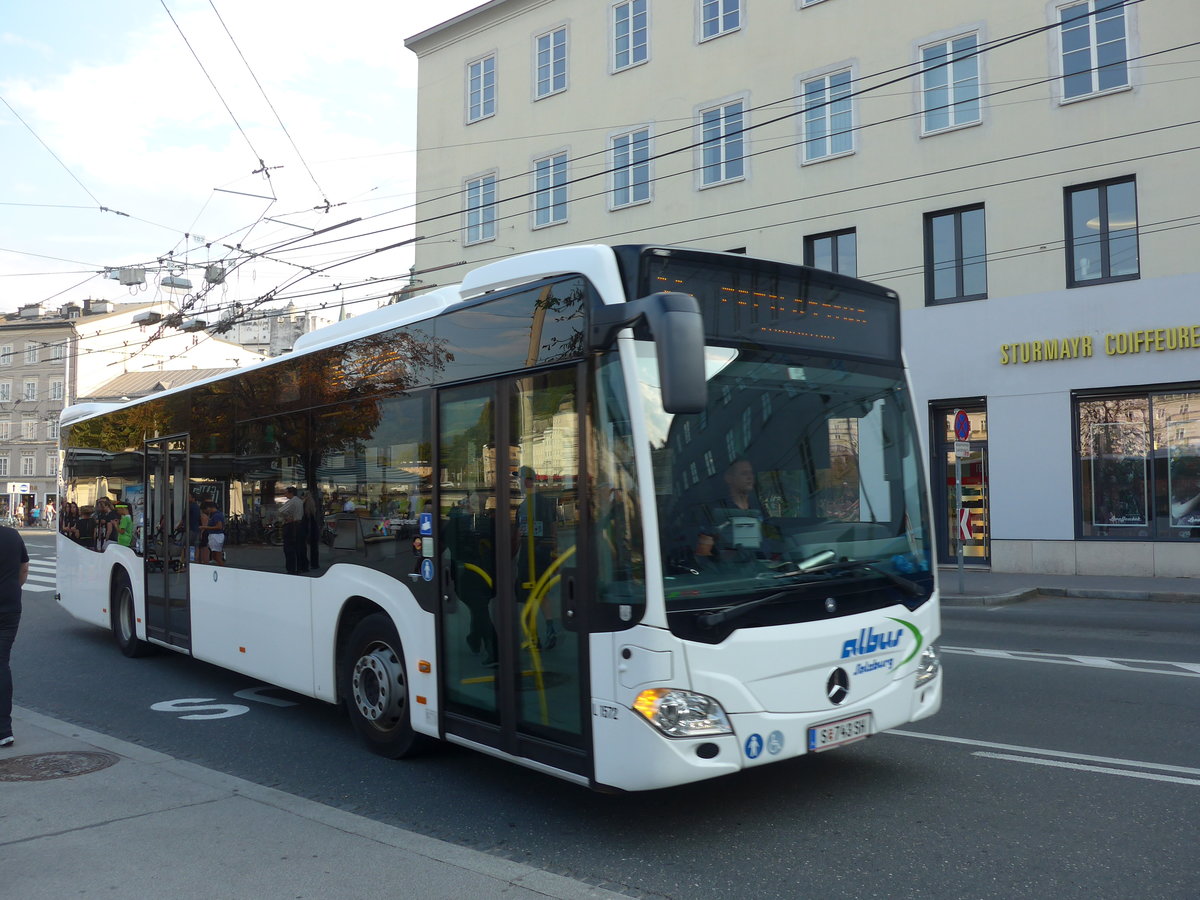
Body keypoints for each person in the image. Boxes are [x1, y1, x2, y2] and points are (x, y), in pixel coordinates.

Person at [513, 466, 559, 650]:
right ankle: (550, 628)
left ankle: (533, 638)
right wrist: (555, 553)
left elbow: (518, 537)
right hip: (544, 553)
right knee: (542, 593)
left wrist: (511, 555)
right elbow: (554, 530)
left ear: (526, 481)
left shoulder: (523, 507)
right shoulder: (548, 503)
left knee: (527, 596)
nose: (519, 484)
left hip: (527, 555)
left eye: (520, 480)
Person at [0, 521, 30, 747]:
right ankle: (4, 730)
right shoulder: (12, 535)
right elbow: (24, 569)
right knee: (2, 664)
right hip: (10, 607)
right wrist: (13, 590)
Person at [278, 486, 306, 574]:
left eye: (286, 492)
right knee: (299, 547)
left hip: (291, 525)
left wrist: (287, 516)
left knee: (289, 548)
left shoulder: (292, 501)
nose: (284, 494)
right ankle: (300, 567)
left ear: (291, 493)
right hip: (299, 524)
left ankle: (291, 568)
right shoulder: (299, 501)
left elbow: (281, 510)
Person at [200, 500, 225, 566]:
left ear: (208, 508)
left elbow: (219, 526)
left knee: (217, 556)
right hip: (215, 535)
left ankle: (222, 567)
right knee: (214, 556)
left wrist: (205, 527)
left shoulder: (216, 515)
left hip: (216, 536)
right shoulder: (216, 514)